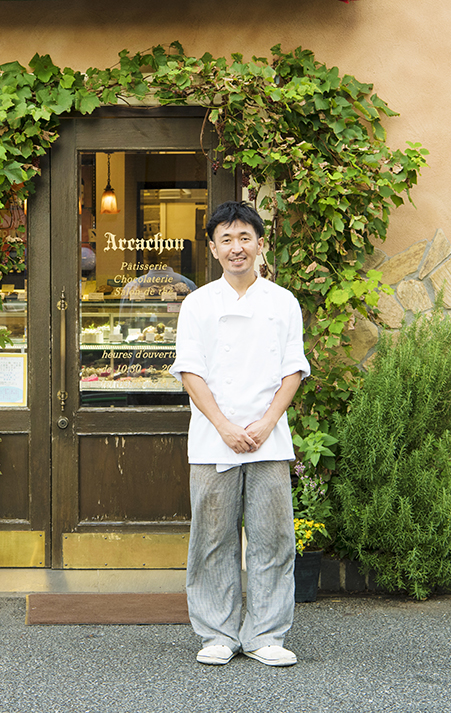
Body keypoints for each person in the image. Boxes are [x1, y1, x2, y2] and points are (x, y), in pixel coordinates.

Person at [169, 200, 310, 668]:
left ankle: (267, 634)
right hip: (213, 439)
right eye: (226, 239)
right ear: (212, 248)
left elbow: (294, 369)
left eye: (244, 238)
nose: (236, 248)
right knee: (212, 539)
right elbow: (190, 371)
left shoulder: (282, 301)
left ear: (260, 244)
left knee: (273, 538)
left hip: (269, 438)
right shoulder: (197, 303)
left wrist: (266, 423)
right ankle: (217, 633)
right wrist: (226, 427)